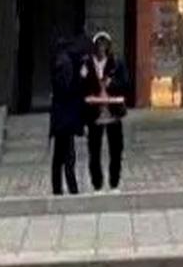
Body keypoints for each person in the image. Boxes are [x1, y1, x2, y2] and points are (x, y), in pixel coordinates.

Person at [82, 29, 132, 191]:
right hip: (94, 114)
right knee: (94, 151)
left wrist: (112, 84)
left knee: (116, 151)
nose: (101, 47)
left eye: (104, 44)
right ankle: (97, 184)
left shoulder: (116, 63)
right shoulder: (87, 63)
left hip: (113, 113)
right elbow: (82, 84)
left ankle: (114, 183)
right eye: (99, 44)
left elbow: (126, 84)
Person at [48, 33, 87, 196]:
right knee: (68, 156)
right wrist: (81, 78)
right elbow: (67, 90)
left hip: (61, 117)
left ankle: (59, 189)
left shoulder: (61, 61)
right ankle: (72, 189)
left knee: (59, 156)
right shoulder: (66, 64)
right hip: (65, 117)